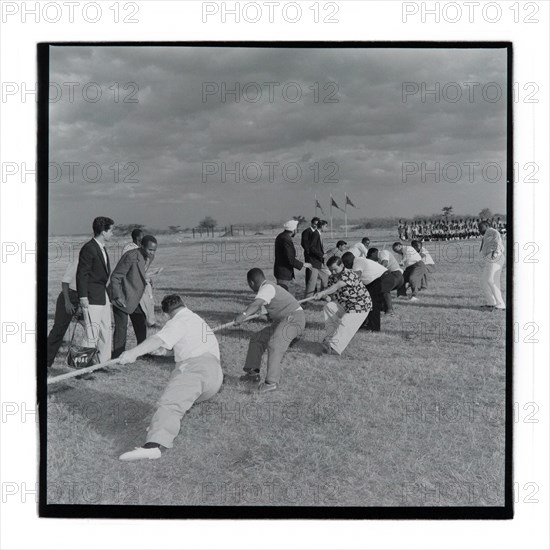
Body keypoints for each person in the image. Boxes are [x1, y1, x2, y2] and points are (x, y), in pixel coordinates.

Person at [116, 294, 223, 461]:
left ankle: (153, 446)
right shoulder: (196, 319)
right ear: (183, 304)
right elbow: (183, 345)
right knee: (176, 401)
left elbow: (157, 338)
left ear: (166, 314)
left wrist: (132, 353)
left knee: (170, 404)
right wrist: (164, 351)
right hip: (214, 378)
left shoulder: (177, 321)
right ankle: (162, 423)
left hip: (196, 370)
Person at [237, 268, 306, 393]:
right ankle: (253, 374)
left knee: (275, 344)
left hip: (294, 319)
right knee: (257, 339)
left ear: (251, 282)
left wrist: (243, 315)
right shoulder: (268, 289)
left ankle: (271, 382)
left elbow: (256, 304)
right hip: (282, 321)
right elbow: (265, 311)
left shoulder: (267, 288)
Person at [110, 235, 158, 358]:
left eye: (154, 250)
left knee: (140, 324)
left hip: (136, 297)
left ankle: (143, 352)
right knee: (121, 328)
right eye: (150, 250)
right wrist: (117, 297)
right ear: (141, 246)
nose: (152, 253)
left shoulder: (149, 257)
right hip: (122, 296)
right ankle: (117, 357)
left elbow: (139, 273)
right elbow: (115, 276)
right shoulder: (130, 256)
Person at [314, 256, 372, 355]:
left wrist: (322, 293)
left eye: (335, 269)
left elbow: (336, 286)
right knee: (329, 306)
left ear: (342, 265)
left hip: (360, 306)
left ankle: (333, 347)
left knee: (346, 322)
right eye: (331, 270)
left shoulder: (349, 274)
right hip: (346, 305)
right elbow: (332, 294)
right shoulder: (332, 277)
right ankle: (330, 337)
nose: (333, 273)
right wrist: (326, 297)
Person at [76, 216, 114, 362]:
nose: (112, 234)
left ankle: (102, 363)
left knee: (106, 330)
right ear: (103, 232)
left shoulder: (101, 248)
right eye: (111, 230)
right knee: (92, 332)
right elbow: (82, 274)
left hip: (102, 294)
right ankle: (82, 368)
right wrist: (83, 297)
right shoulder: (89, 248)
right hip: (91, 296)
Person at [341, 251, 393, 329]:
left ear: (348, 262)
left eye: (345, 264)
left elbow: (357, 275)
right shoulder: (357, 262)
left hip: (382, 278)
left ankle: (374, 327)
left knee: (373, 304)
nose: (346, 267)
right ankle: (366, 323)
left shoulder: (358, 261)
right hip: (376, 280)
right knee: (365, 302)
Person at [46, 257, 81, 368]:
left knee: (91, 329)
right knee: (58, 331)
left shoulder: (93, 263)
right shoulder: (77, 261)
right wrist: (67, 302)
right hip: (69, 297)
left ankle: (85, 362)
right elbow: (65, 282)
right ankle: (46, 362)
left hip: (82, 299)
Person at [274, 220, 311, 297]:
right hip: (284, 273)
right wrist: (303, 264)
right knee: (288, 296)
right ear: (293, 230)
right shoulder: (286, 239)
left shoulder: (281, 236)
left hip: (282, 271)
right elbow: (290, 258)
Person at [367, 248, 403, 315]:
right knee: (378, 288)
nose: (372, 260)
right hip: (394, 276)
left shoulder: (383, 252)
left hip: (395, 274)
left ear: (373, 254)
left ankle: (389, 310)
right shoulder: (378, 260)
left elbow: (385, 263)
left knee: (384, 288)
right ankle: (382, 308)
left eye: (371, 258)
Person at [478, 221, 505, 310]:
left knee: (492, 280)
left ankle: (500, 305)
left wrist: (495, 253)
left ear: (486, 225)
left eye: (480, 227)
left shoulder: (491, 231)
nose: (479, 229)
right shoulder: (486, 233)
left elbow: (498, 239)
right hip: (489, 257)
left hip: (495, 257)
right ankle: (491, 303)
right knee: (484, 280)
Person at [303, 219, 328, 298]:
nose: (327, 228)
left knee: (325, 278)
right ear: (322, 226)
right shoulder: (316, 234)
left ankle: (323, 296)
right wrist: (321, 255)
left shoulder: (318, 234)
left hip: (318, 262)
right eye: (326, 226)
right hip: (314, 262)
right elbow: (312, 247)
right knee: (312, 283)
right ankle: (307, 301)